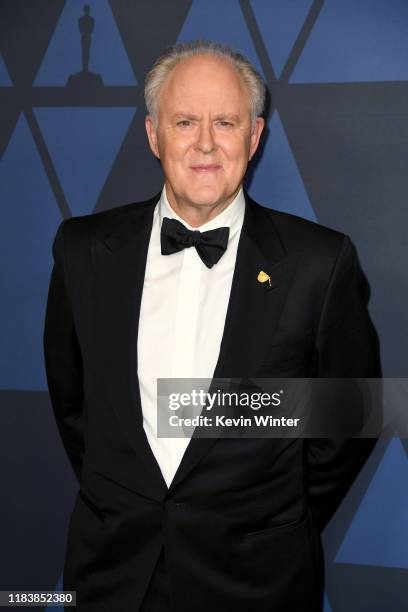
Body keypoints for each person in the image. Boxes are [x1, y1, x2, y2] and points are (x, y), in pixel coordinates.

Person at [43, 40, 381, 611]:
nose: (204, 143)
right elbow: (75, 408)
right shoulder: (83, 250)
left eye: (225, 122)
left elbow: (348, 417)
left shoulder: (320, 263)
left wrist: (268, 516)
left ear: (254, 137)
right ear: (153, 135)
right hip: (113, 577)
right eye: (184, 121)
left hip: (256, 581)